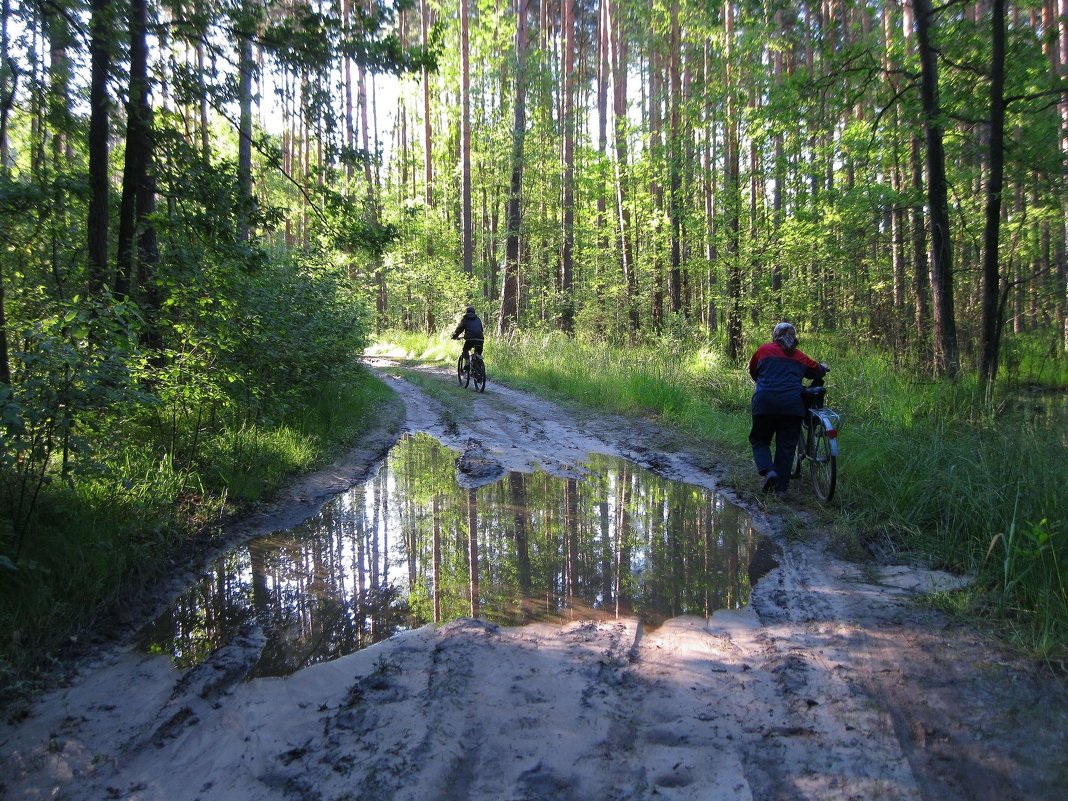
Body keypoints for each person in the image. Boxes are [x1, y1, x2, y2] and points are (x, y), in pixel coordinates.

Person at [747, 322, 828, 497]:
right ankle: (781, 490)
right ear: (794, 336)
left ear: (775, 336)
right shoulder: (799, 356)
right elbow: (818, 372)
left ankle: (769, 472)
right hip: (793, 407)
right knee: (786, 447)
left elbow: (753, 372)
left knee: (759, 440)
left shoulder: (763, 350)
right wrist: (823, 366)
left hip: (765, 403)